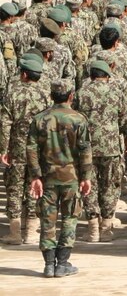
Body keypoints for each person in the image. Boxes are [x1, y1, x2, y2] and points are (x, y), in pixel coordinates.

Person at [27, 79, 92, 278]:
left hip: (47, 178)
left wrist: (35, 176)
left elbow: (31, 149)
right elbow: (85, 150)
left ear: (51, 96)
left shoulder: (39, 119)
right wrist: (86, 176)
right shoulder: (79, 119)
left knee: (47, 219)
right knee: (70, 218)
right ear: (71, 96)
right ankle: (62, 263)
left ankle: (48, 264)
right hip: (71, 177)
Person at [73, 56, 127, 243]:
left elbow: (74, 119)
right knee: (110, 185)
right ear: (107, 75)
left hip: (87, 147)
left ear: (91, 75)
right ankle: (106, 228)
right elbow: (125, 119)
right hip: (111, 147)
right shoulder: (116, 92)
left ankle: (92, 229)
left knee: (88, 184)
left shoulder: (81, 93)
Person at [1, 56, 51, 246]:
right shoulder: (45, 95)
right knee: (35, 186)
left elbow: (5, 124)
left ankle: (14, 231)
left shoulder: (12, 93)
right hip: (37, 149)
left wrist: (3, 149)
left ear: (23, 74)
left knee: (14, 188)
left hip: (17, 148)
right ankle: (31, 230)